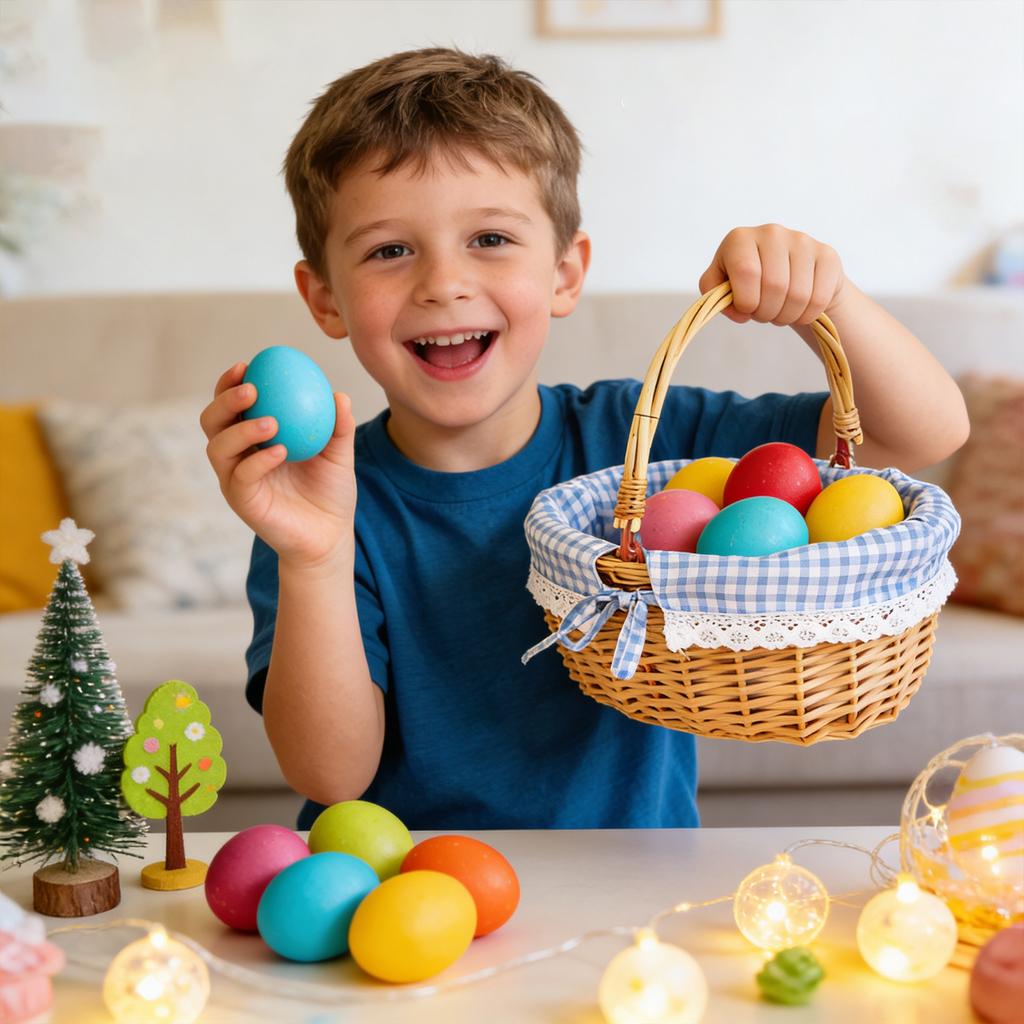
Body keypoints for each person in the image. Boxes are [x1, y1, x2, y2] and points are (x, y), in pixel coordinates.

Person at [200, 48, 968, 832]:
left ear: (566, 274)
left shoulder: (651, 444)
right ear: (324, 299)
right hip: (409, 900)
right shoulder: (324, 504)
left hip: (631, 883)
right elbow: (332, 774)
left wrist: (825, 300)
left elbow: (927, 432)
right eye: (390, 250)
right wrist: (315, 556)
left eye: (490, 239)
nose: (443, 282)